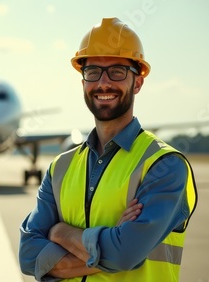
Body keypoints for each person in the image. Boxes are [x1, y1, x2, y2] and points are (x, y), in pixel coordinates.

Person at [19, 17, 198, 282]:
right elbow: (28, 256)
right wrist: (111, 242)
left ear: (137, 83)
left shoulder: (164, 164)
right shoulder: (60, 167)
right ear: (83, 83)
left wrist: (60, 233)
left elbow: (124, 255)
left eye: (117, 71)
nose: (103, 83)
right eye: (93, 72)